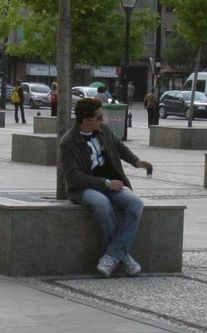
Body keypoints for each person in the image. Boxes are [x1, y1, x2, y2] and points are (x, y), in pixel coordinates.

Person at [60, 96, 153, 278]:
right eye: (99, 118)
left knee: (135, 203)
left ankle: (112, 255)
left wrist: (136, 162)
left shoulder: (104, 131)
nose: (103, 120)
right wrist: (106, 183)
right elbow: (73, 176)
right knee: (101, 204)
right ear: (86, 121)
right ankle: (121, 256)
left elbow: (119, 147)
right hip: (84, 188)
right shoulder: (68, 142)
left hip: (110, 184)